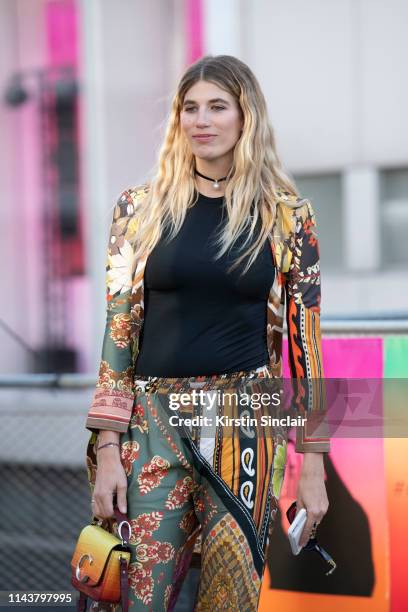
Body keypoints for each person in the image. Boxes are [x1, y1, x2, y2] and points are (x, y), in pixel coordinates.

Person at [84, 55, 330, 611]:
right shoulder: (139, 210)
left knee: (230, 600)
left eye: (218, 106)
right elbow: (118, 330)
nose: (202, 120)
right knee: (136, 597)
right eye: (189, 108)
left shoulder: (287, 217)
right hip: (152, 428)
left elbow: (306, 348)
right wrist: (105, 447)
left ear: (246, 118)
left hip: (245, 425)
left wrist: (312, 463)